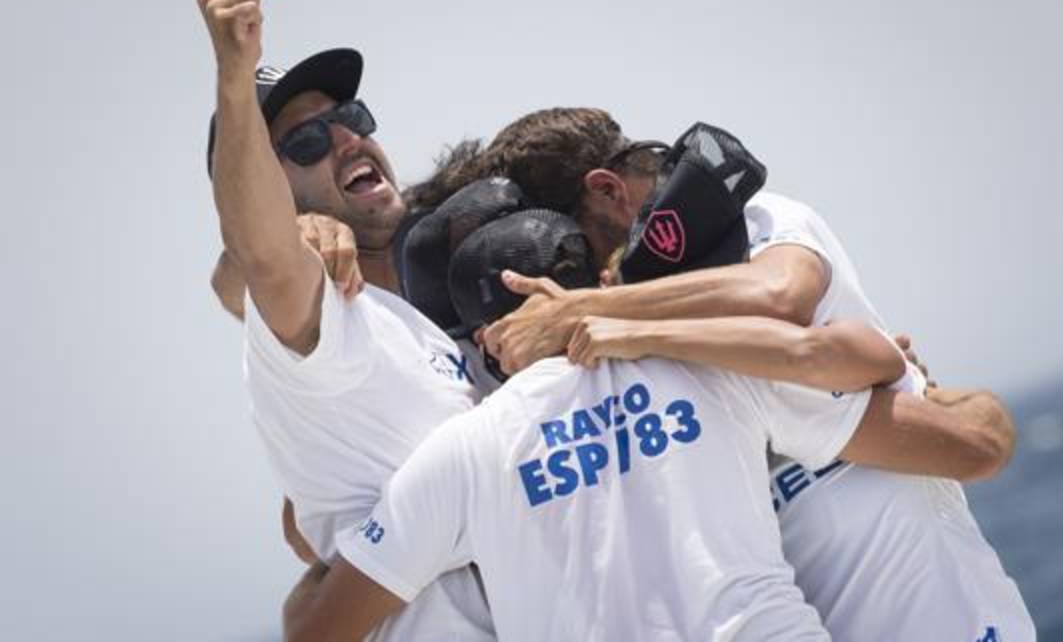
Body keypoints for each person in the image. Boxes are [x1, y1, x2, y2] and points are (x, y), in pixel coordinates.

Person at [282, 206, 1011, 642]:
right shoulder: (713, 366)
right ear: (601, 282)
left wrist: (313, 560)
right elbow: (889, 382)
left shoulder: (461, 455)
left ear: (478, 341)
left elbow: (320, 631)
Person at [466, 108, 1036, 640]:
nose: (582, 273)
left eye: (573, 242)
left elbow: (781, 295)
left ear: (609, 192)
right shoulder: (624, 344)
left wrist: (589, 313)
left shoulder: (759, 222)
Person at [196, 0, 494, 640]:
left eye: (349, 118)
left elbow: (308, 532)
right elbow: (255, 260)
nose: (345, 139)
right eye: (304, 142)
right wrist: (233, 78)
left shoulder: (457, 271)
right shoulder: (321, 321)